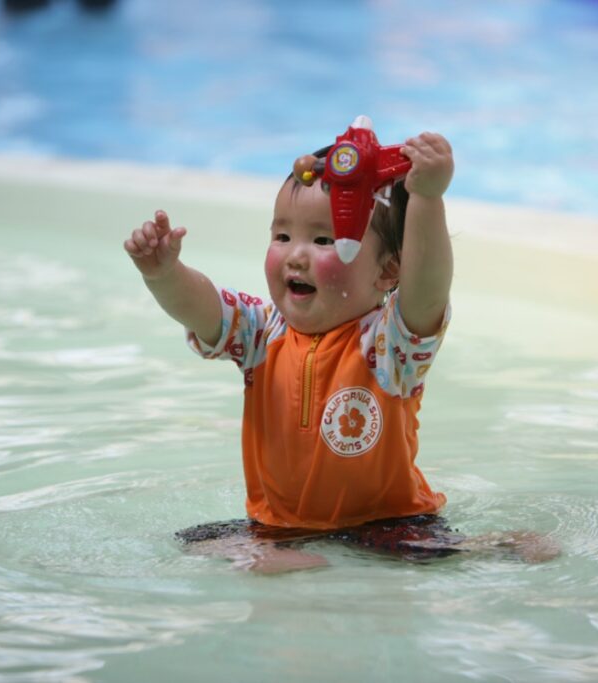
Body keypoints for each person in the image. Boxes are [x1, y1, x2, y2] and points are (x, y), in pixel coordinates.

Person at [124, 129, 556, 572]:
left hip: (386, 522)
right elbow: (203, 308)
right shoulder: (260, 334)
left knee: (421, 552)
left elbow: (426, 289)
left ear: (389, 271)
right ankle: (281, 555)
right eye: (283, 236)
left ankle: (494, 544)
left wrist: (426, 199)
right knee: (194, 541)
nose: (296, 256)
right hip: (279, 527)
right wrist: (164, 274)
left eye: (325, 241)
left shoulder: (390, 346)